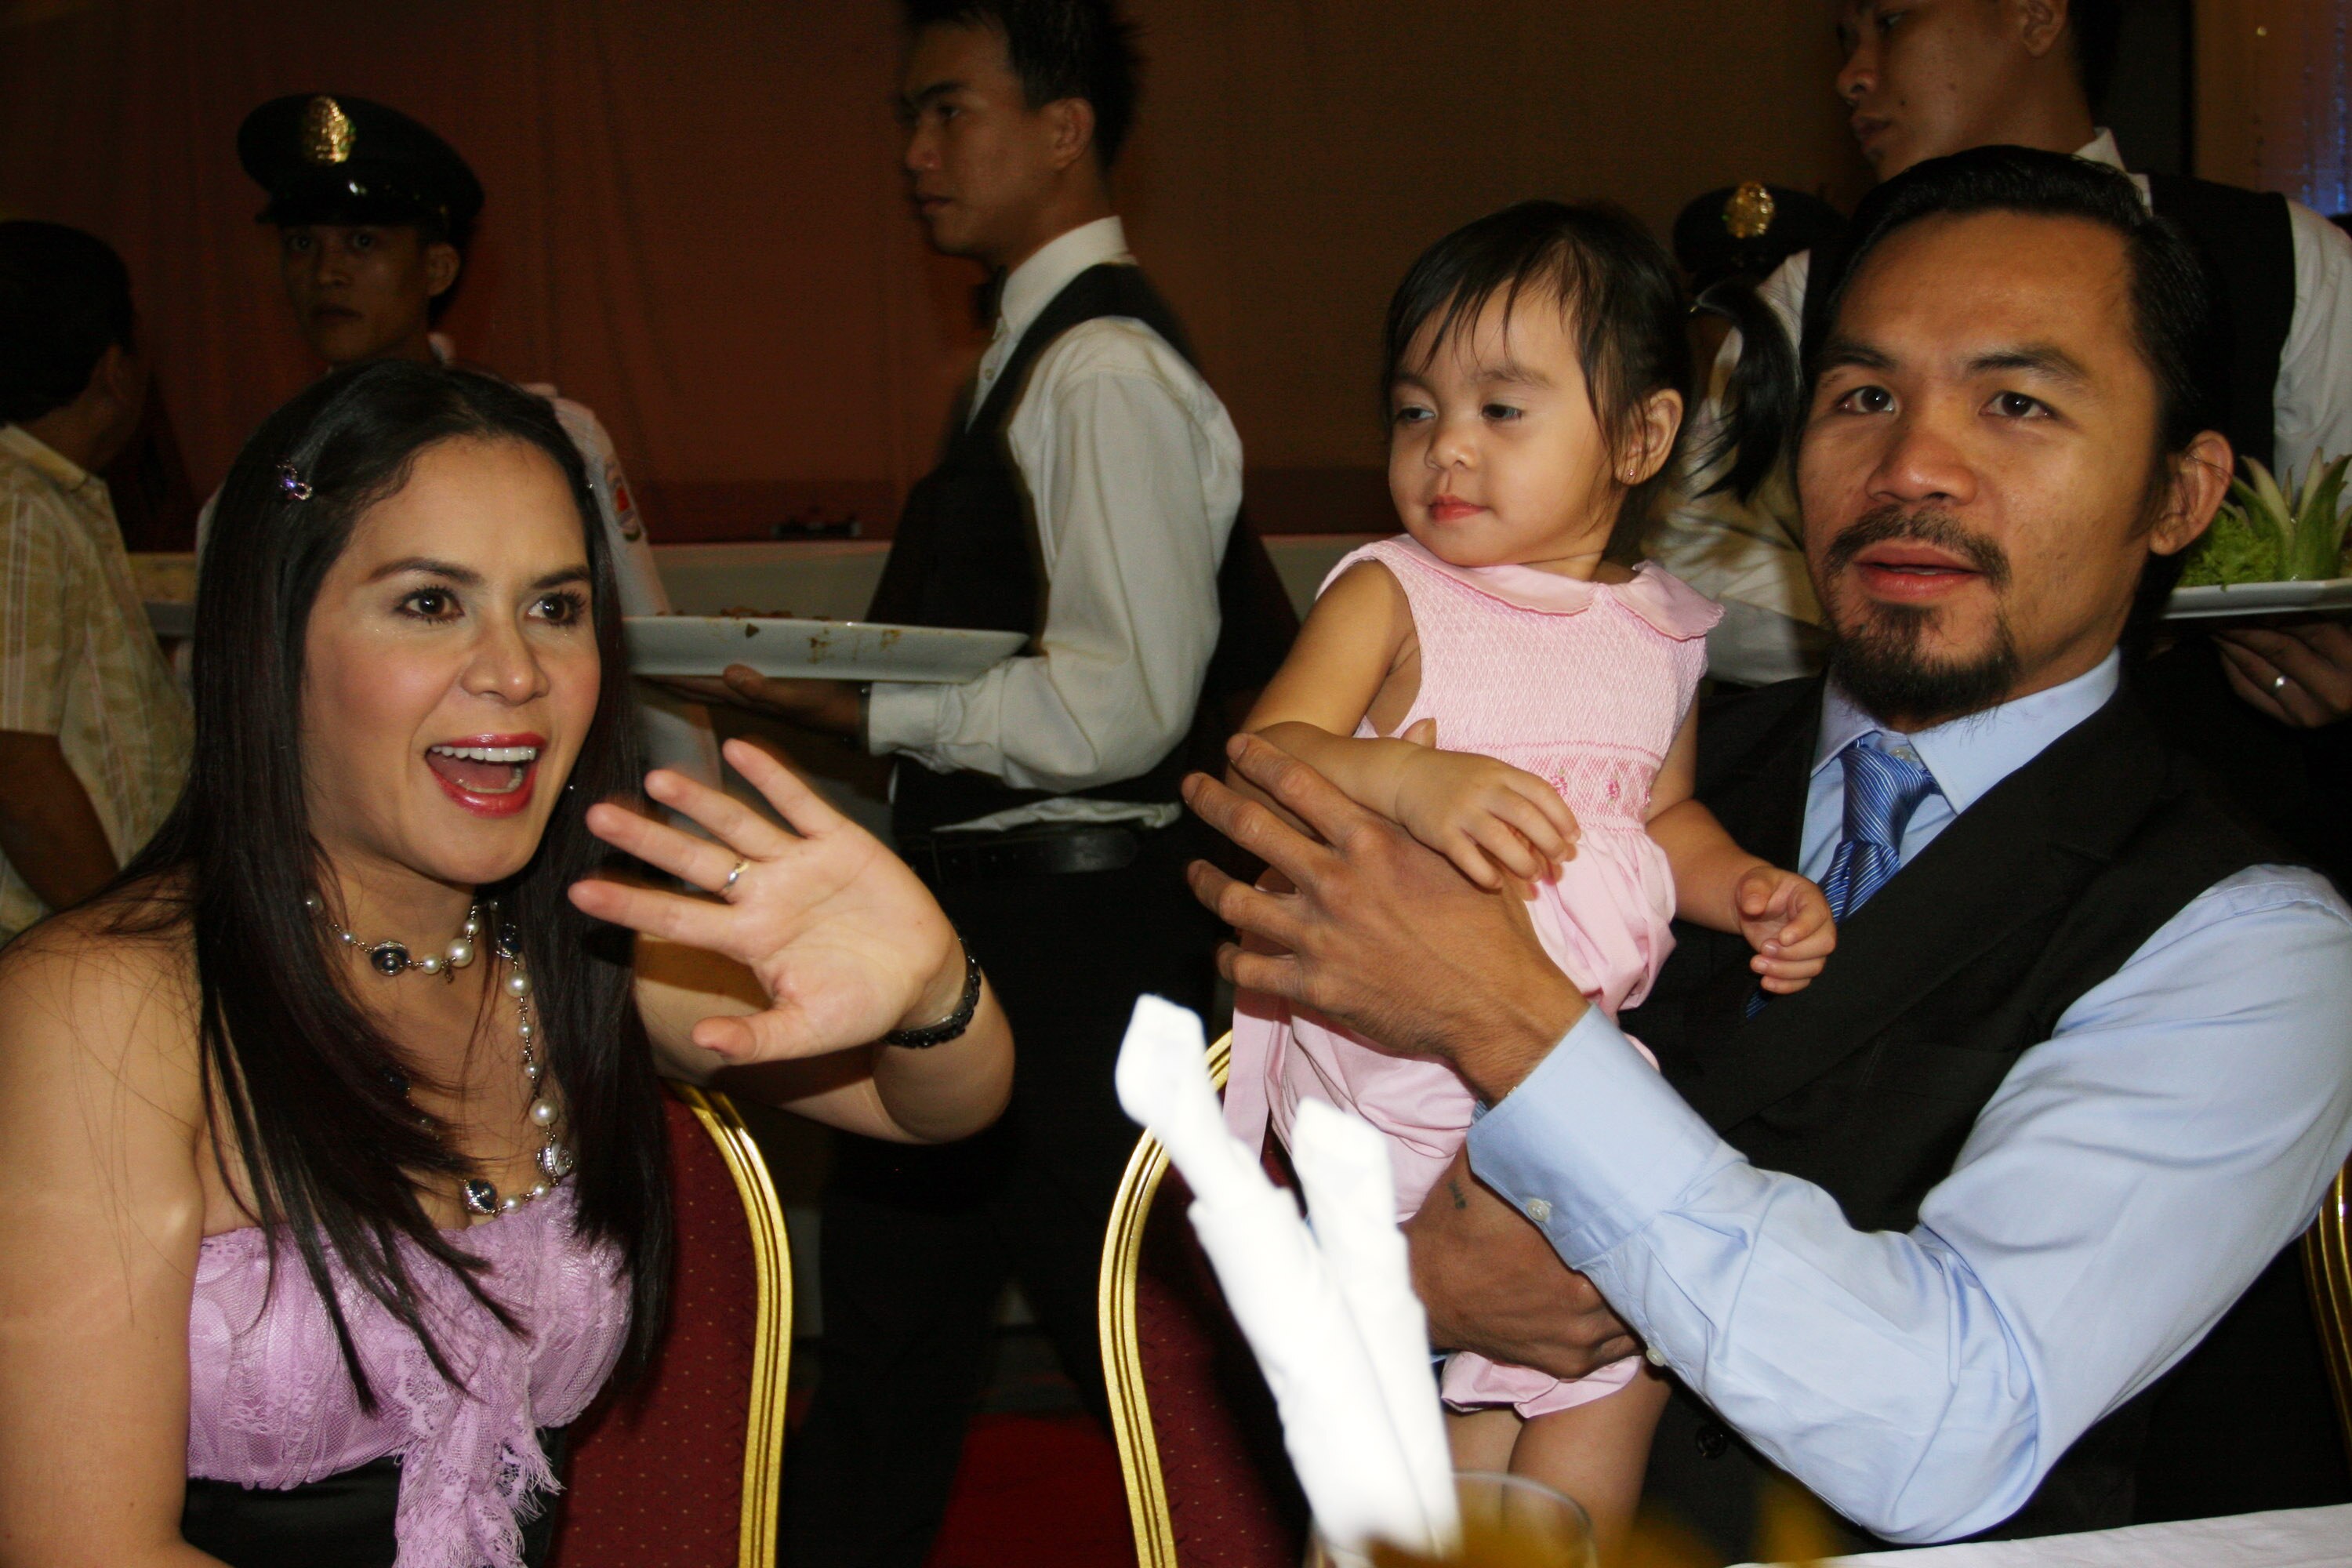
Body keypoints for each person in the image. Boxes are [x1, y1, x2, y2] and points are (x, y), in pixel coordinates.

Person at [1182, 148, 2352, 1548]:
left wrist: (1502, 1016)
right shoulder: (1642, 768)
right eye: (1864, 396)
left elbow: (1947, 1424)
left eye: (2017, 403)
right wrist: (1405, 1272)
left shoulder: (2246, 937)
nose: (1913, 463)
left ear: (2181, 494)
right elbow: (1277, 1103)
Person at [0, 361, 1012, 1568]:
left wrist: (934, 984)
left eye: (556, 607)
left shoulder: (574, 951)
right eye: (431, 604)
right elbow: (82, 1546)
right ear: (275, 640)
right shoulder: (105, 1010)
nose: (517, 672)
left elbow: (941, 1106)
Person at [686, 5, 1286, 1561]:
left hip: (1086, 948)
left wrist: (865, 704)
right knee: (899, 1341)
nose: (915, 154)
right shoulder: (1028, 358)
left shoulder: (1102, 369)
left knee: (1169, 1374)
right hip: (1000, 924)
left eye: (949, 113)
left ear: (1066, 125)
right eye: (909, 117)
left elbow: (1120, 704)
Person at [1221, 200, 1833, 1555]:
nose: (1446, 447)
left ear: (1641, 438)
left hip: (1565, 1060)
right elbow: (1268, 756)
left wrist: (1742, 890)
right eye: (1415, 409)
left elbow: (1660, 826)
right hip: (1394, 1056)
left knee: (1609, 1358)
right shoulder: (1390, 594)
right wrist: (1408, 778)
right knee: (1404, 1424)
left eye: (1501, 410)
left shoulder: (1659, 632)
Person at [1653, 0, 2352, 717]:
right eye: (1869, 397)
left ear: (2036, 15)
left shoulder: (2287, 258)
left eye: (1892, 23)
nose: (1852, 76)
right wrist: (1910, 612)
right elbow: (1696, 559)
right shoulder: (1806, 289)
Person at [215, 92, 720, 786]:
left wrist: (687, 832)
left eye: (363, 243)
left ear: (438, 269)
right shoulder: (263, 479)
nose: (326, 273)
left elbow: (640, 647)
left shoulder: (550, 444)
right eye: (303, 243)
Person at [0, 220, 192, 944]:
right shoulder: (17, 505)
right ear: (115, 368)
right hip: (43, 941)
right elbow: (16, 766)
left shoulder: (49, 497)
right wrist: (122, 936)